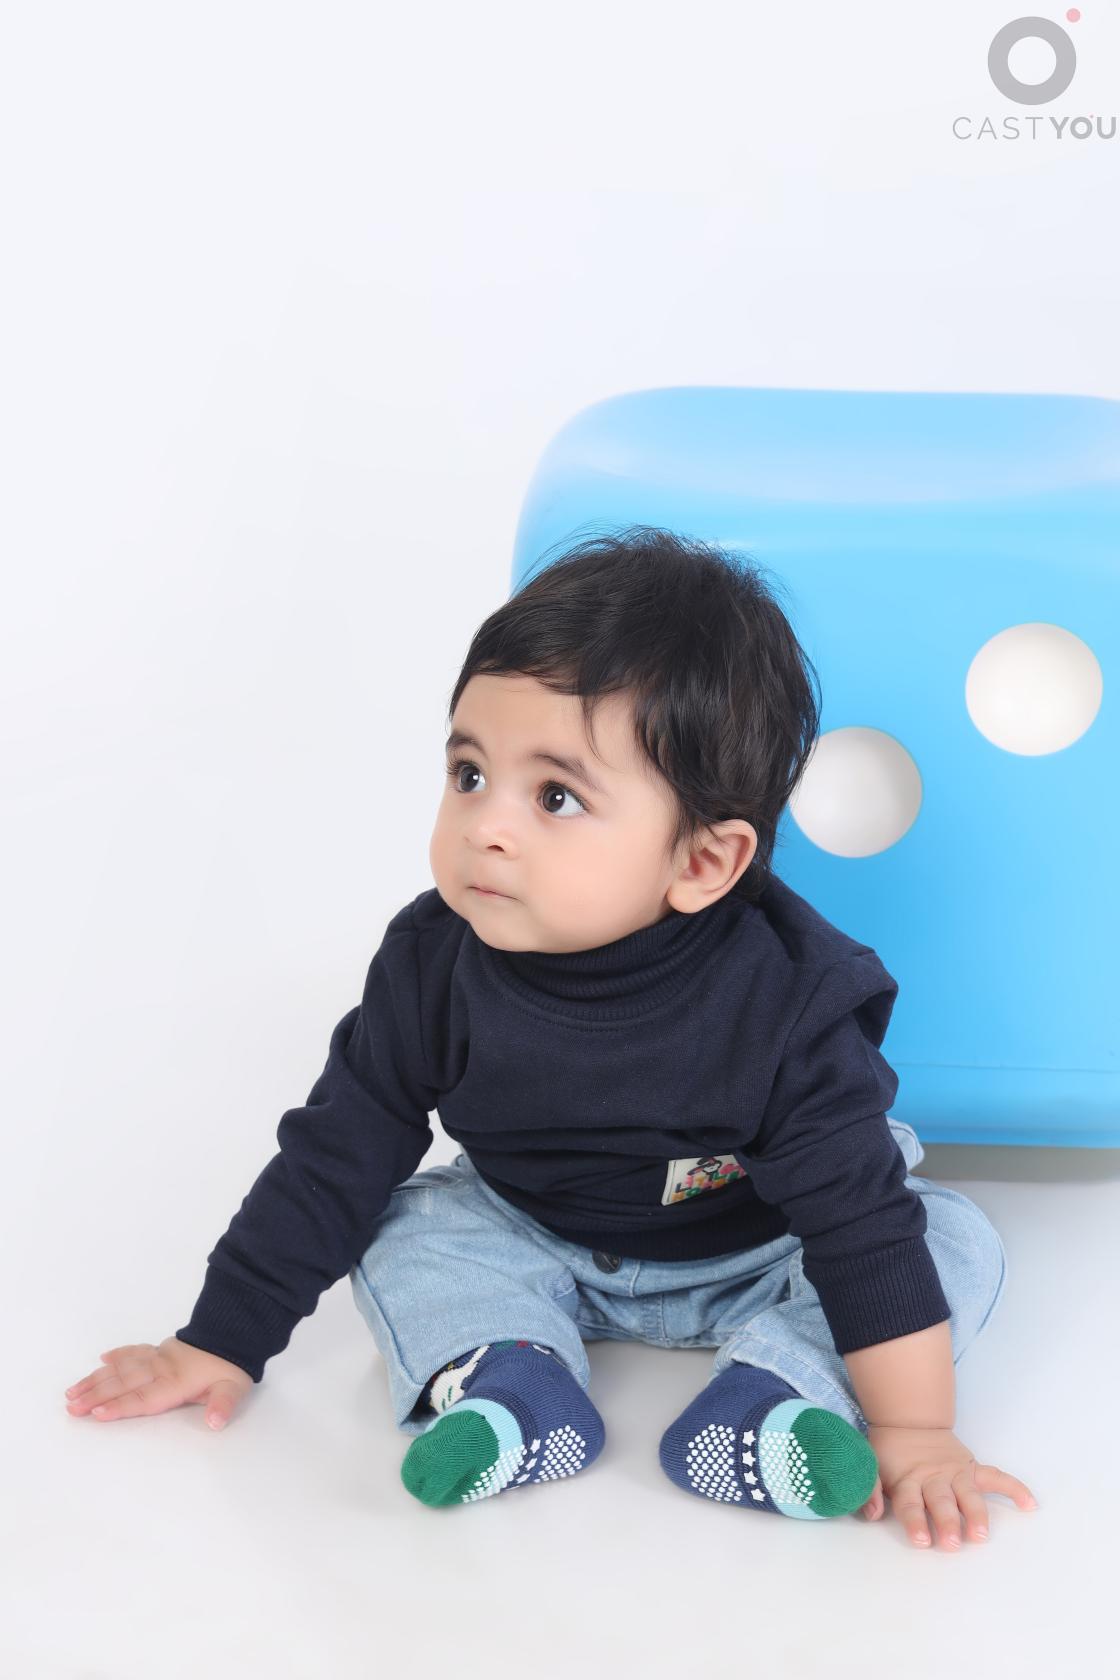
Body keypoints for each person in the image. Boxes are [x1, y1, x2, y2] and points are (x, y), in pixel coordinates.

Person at [63, 526, 1039, 1549]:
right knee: (402, 1226)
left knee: (942, 1238)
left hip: (762, 1244)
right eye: (468, 773)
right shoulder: (433, 965)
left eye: (556, 797)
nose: (486, 826)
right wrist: (219, 1341)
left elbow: (857, 1227)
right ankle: (512, 1383)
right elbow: (336, 1154)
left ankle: (776, 1399)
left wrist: (916, 1432)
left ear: (702, 863)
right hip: (531, 1231)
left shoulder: (786, 1003)